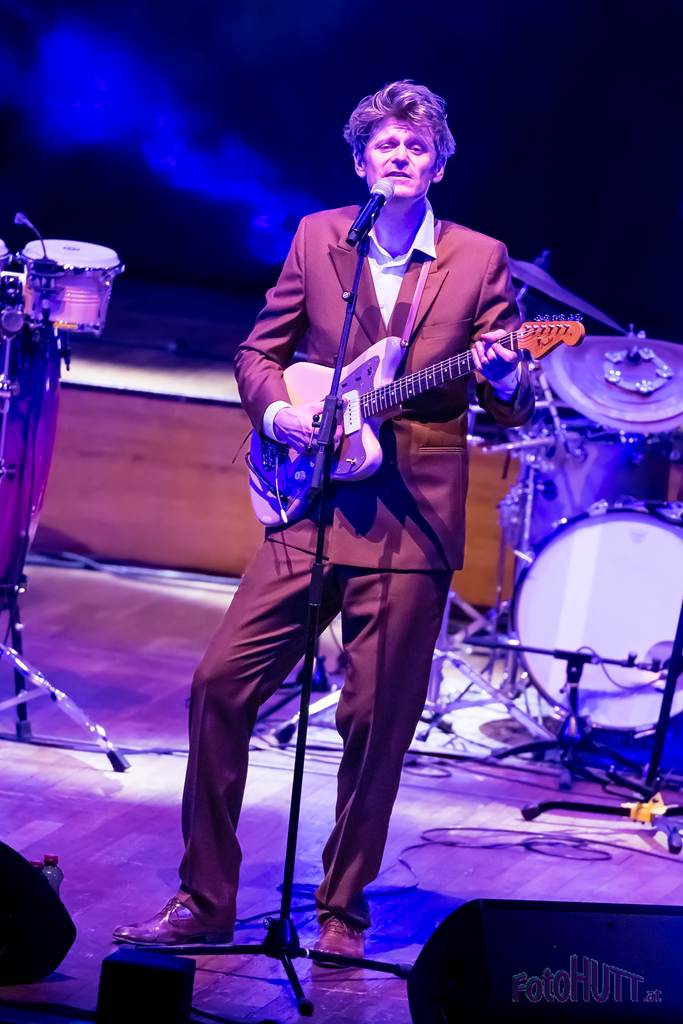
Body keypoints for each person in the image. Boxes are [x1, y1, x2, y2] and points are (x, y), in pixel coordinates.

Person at [114, 80, 534, 957]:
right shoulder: (318, 237)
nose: (400, 157)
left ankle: (342, 909)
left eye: (416, 147)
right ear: (360, 161)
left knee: (374, 720)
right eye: (385, 145)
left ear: (438, 164)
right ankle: (205, 897)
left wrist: (502, 372)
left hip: (410, 521)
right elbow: (258, 352)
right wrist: (281, 413)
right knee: (219, 686)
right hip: (309, 506)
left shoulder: (478, 257)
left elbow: (509, 402)